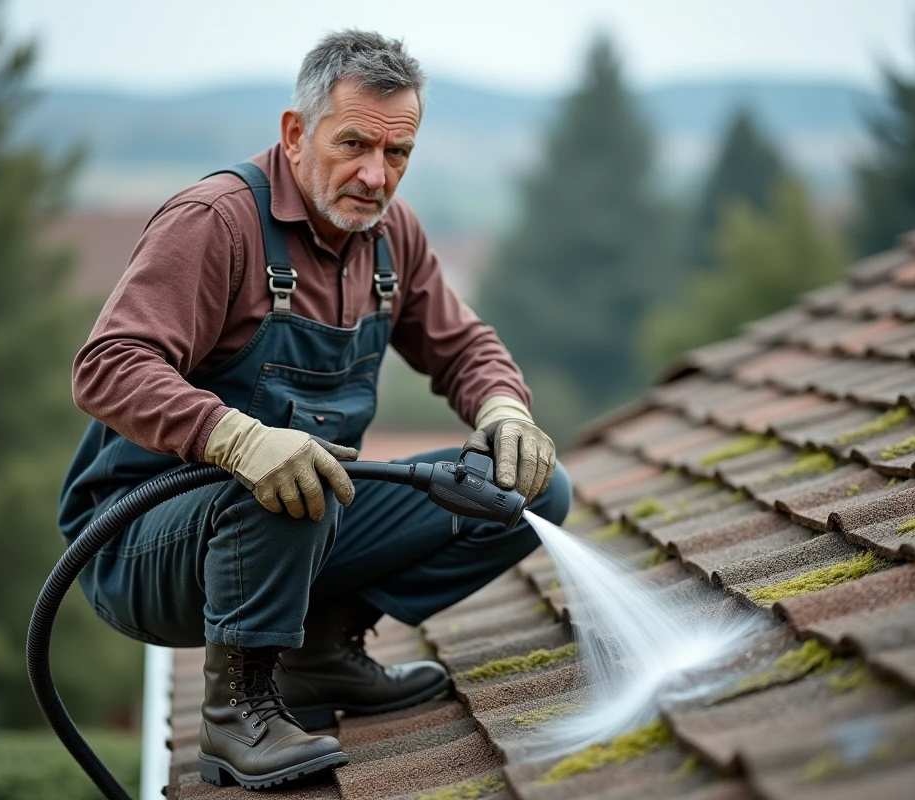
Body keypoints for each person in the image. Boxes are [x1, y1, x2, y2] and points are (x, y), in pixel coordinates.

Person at [58, 29, 571, 790]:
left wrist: (505, 411)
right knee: (282, 482)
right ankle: (236, 715)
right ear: (297, 133)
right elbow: (107, 367)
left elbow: (465, 348)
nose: (375, 174)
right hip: (138, 543)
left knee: (524, 489)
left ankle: (320, 655)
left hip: (296, 516)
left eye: (397, 154)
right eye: (355, 143)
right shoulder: (218, 222)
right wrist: (236, 439)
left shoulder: (390, 237)